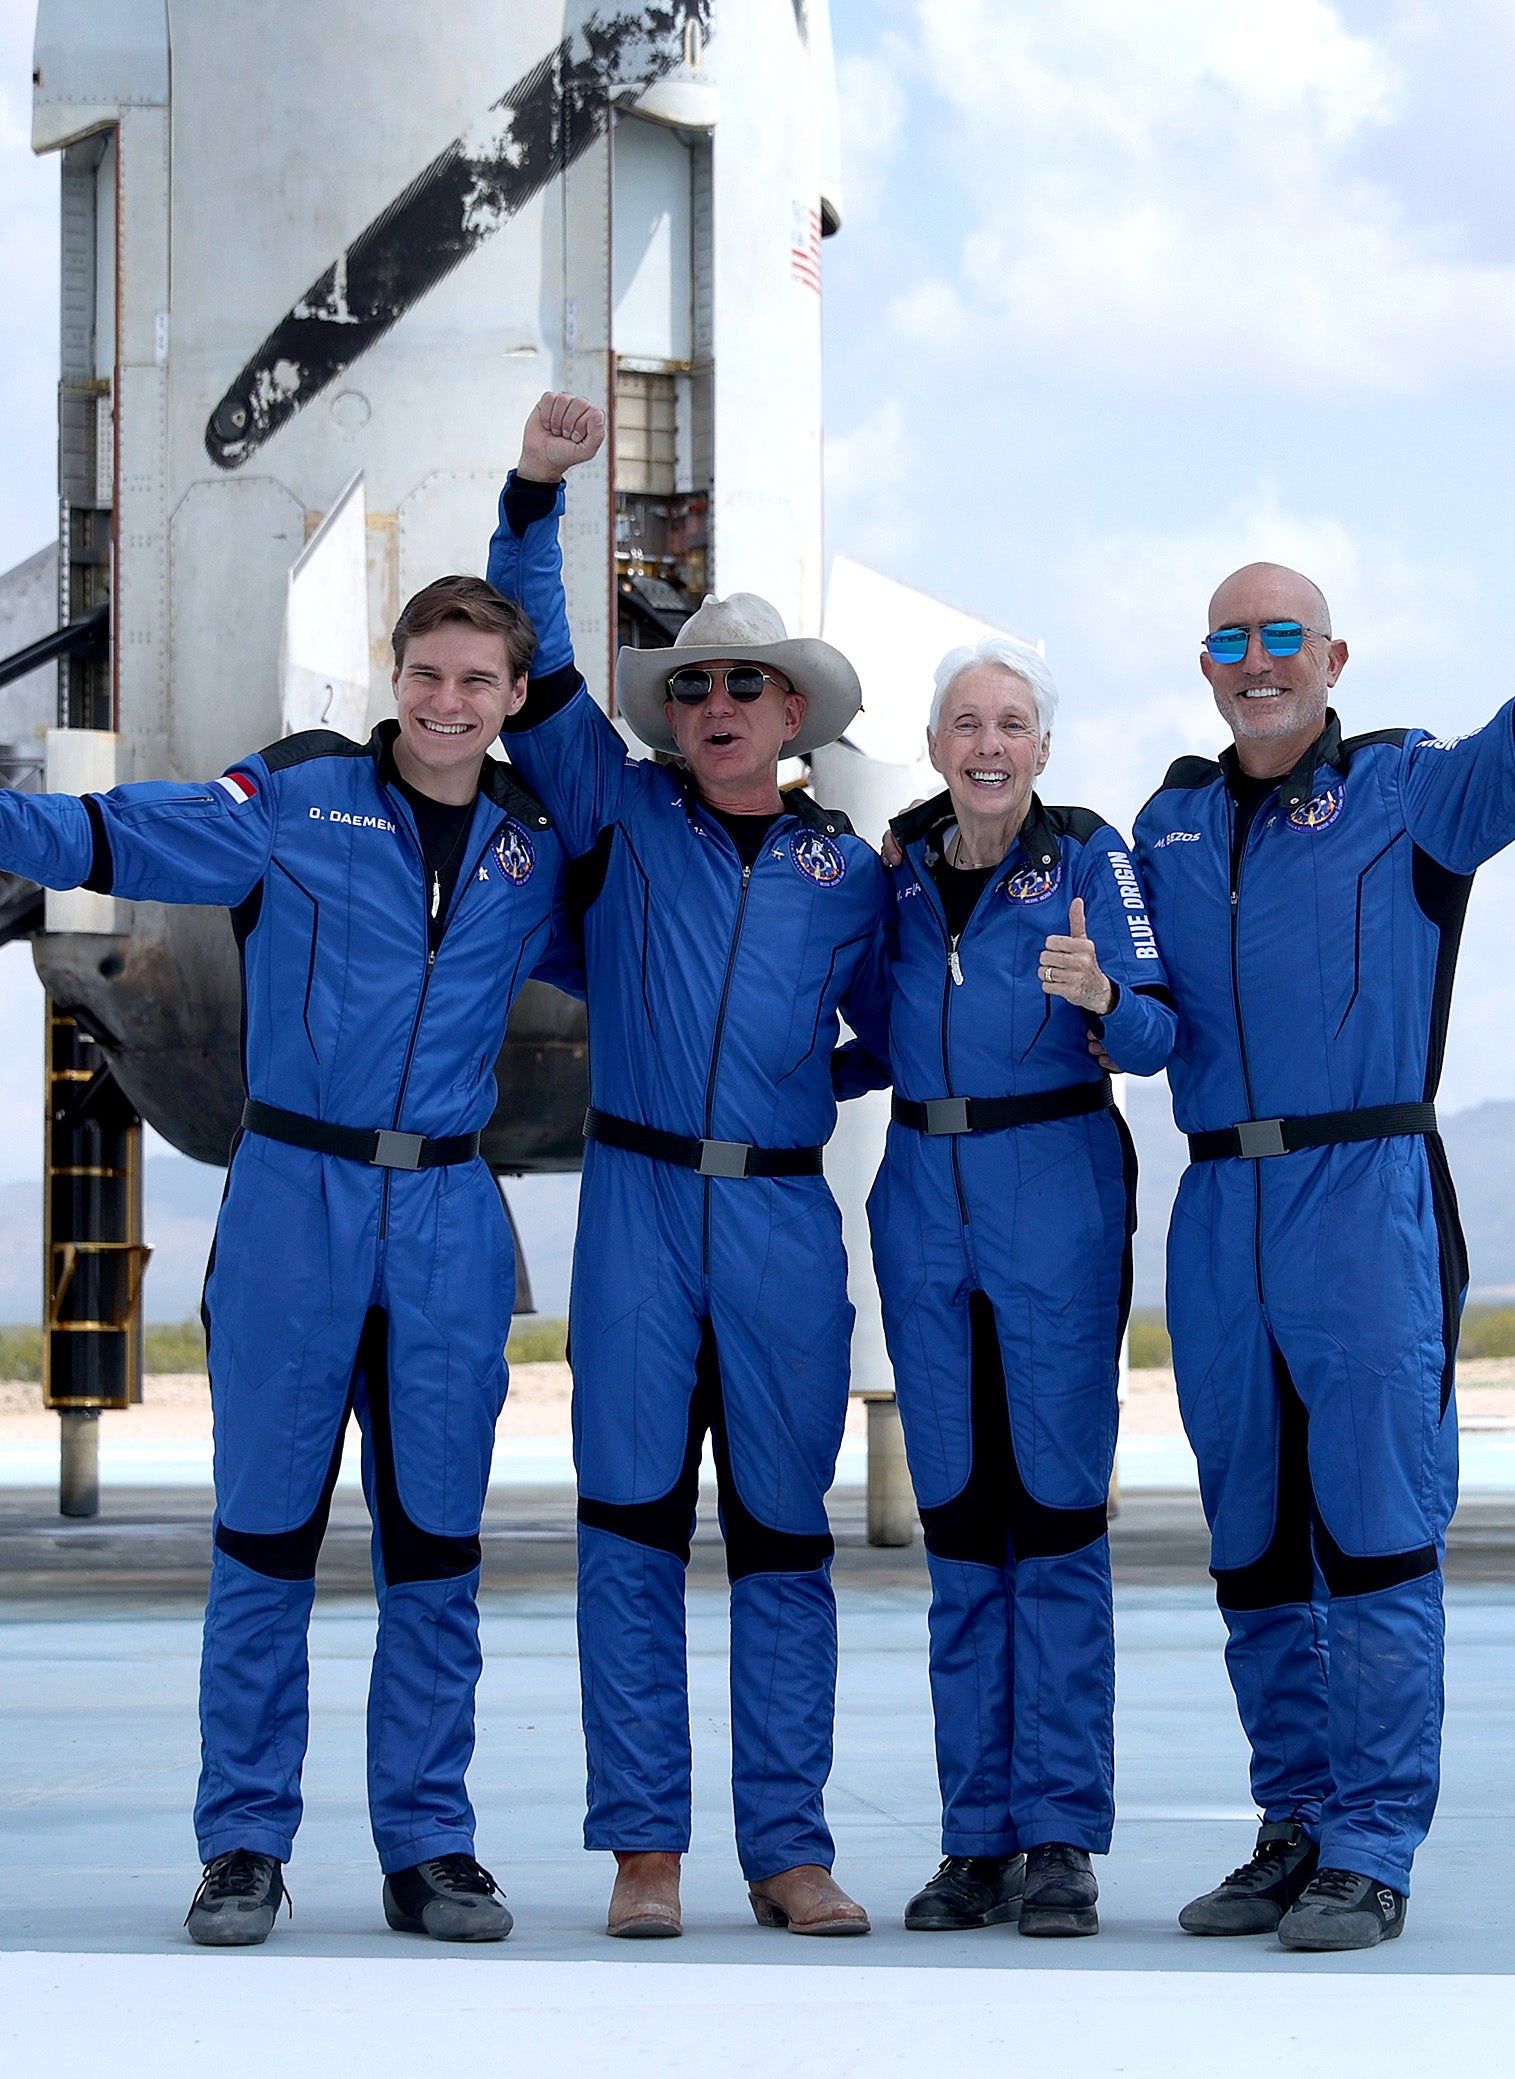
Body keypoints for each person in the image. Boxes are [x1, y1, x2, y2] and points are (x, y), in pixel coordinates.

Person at [0, 575, 574, 1949]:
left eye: (476, 683)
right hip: (292, 1208)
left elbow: (662, 961)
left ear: (513, 699)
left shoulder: (532, 851)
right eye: (427, 673)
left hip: (446, 1224)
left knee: (438, 1555)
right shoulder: (301, 800)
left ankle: (432, 1848)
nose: (446, 702)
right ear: (396, 671)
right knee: (263, 1546)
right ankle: (243, 1842)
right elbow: (128, 835)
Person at [1132, 421, 1515, 1951]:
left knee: (1379, 1534)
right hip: (1216, 1218)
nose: (1256, 663)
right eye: (1230, 640)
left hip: (1366, 1202)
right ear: (1207, 666)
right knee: (1255, 1549)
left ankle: (1376, 1845)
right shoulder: (1170, 823)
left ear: (1334, 658)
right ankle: (1295, 1821)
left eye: (1283, 638)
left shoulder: (1409, 794)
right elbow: (1149, 1018)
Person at [486, 393, 890, 1939]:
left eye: (750, 686)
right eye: (700, 685)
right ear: (676, 713)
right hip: (640, 1202)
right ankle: (643, 1851)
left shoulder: (853, 878)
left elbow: (900, 1032)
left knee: (786, 1542)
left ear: (796, 717)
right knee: (631, 1528)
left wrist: (799, 1084)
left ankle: (787, 1850)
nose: (720, 704)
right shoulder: (617, 809)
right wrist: (535, 493)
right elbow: (540, 671)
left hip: (785, 1212)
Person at [859, 640, 1175, 1939]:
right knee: (958, 1530)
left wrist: (1105, 994)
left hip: (1055, 1191)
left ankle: (1058, 1836)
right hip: (924, 1199)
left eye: (1014, 725)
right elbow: (860, 1037)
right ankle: (972, 1840)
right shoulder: (895, 872)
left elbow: (1160, 1035)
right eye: (967, 723)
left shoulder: (1093, 859)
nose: (989, 746)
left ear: (1043, 749)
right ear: (936, 744)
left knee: (1052, 1526)